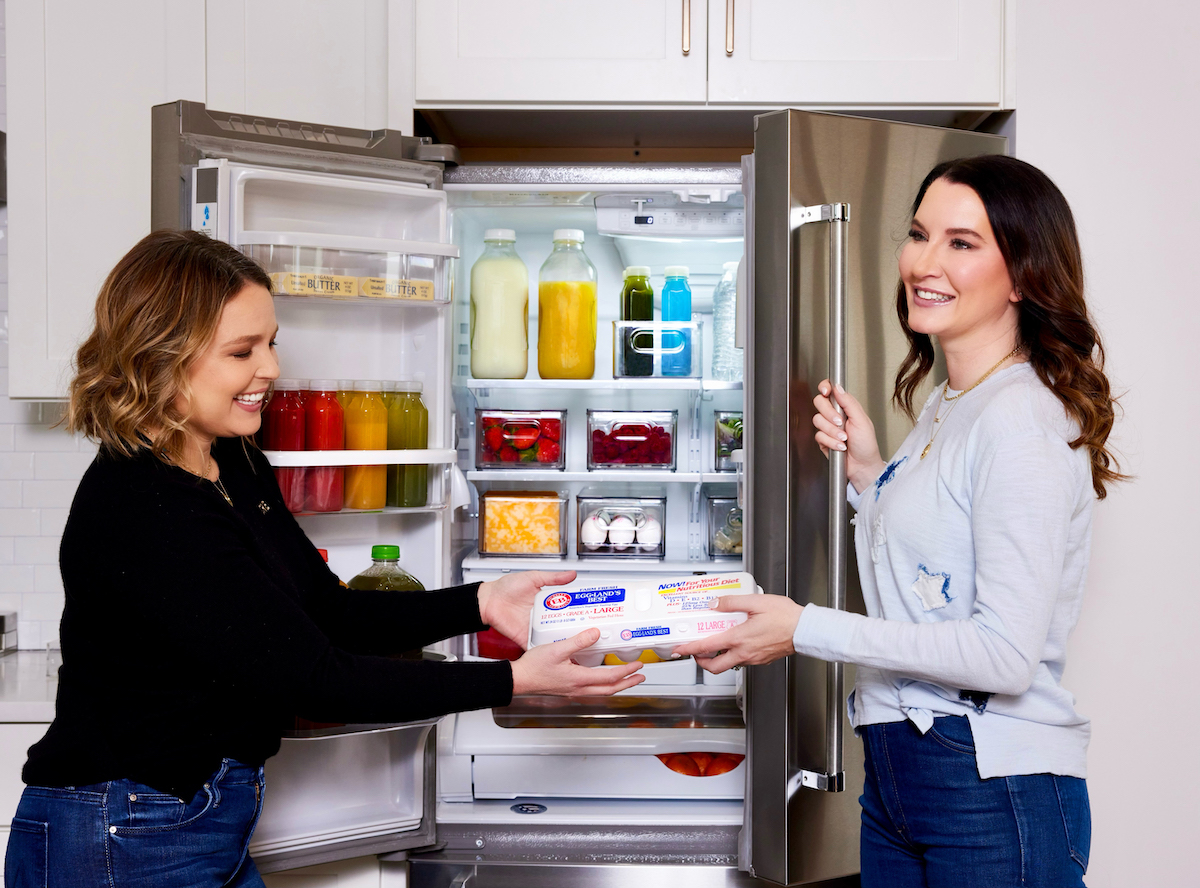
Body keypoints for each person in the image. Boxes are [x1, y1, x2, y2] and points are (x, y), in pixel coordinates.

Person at [3, 230, 644, 888]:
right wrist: (511, 682)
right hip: (121, 833)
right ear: (159, 359)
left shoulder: (233, 458)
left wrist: (479, 603)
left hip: (189, 821)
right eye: (241, 351)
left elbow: (327, 610)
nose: (272, 369)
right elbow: (320, 679)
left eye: (270, 342)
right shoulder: (146, 506)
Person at [673, 155, 1121, 887]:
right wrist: (869, 475)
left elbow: (1004, 654)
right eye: (919, 234)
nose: (924, 261)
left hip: (990, 783)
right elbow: (932, 572)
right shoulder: (953, 400)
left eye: (962, 243)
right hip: (901, 772)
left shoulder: (1022, 423)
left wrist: (802, 627)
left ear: (1023, 276)